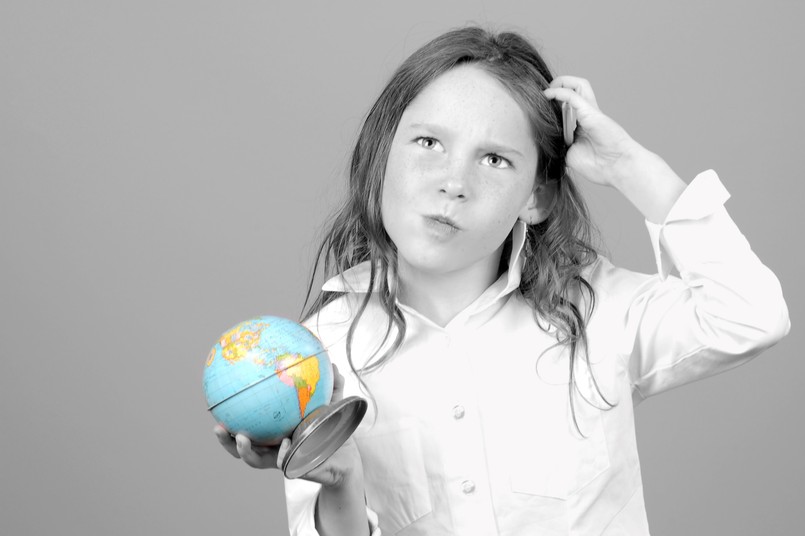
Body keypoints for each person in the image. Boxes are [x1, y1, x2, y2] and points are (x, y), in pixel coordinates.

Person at [215, 26, 790, 535]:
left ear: (536, 195)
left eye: (494, 160)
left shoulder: (594, 310)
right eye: (428, 142)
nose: (453, 182)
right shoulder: (320, 354)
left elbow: (750, 317)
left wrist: (628, 166)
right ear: (381, 154)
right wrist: (340, 483)